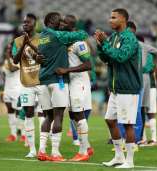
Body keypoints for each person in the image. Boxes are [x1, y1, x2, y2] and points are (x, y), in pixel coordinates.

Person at [36, 12, 88, 162]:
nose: (61, 22)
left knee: (48, 117)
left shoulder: (42, 38)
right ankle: (55, 153)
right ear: (52, 20)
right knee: (58, 116)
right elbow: (82, 34)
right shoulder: (58, 35)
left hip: (43, 80)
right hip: (57, 80)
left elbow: (40, 57)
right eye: (59, 19)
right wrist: (76, 29)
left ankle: (41, 151)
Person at [94, 9, 142, 168]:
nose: (110, 20)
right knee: (110, 120)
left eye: (113, 17)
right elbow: (107, 58)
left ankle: (130, 161)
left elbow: (121, 57)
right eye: (110, 17)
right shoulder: (114, 37)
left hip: (128, 87)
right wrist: (101, 45)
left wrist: (106, 44)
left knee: (128, 124)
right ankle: (119, 156)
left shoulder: (130, 38)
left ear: (123, 19)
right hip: (116, 88)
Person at [55, 14, 93, 161]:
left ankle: (82, 152)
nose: (61, 24)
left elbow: (88, 64)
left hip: (79, 83)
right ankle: (87, 147)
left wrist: (67, 71)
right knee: (73, 116)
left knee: (78, 115)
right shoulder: (65, 41)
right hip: (70, 83)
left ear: (72, 26)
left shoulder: (79, 43)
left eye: (64, 22)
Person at [12, 13, 45, 158]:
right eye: (24, 22)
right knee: (29, 115)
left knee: (45, 115)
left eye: (28, 22)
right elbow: (15, 60)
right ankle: (32, 149)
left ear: (35, 23)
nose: (25, 24)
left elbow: (46, 58)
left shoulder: (42, 38)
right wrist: (24, 44)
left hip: (42, 82)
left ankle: (43, 148)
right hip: (26, 83)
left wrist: (30, 44)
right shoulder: (17, 41)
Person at [127, 21, 157, 146]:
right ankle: (139, 137)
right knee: (139, 108)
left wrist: (152, 65)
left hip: (142, 79)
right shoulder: (139, 46)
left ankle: (139, 137)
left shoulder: (140, 46)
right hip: (139, 78)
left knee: (139, 107)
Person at [1, 42, 23, 143]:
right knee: (10, 111)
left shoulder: (17, 60)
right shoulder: (5, 61)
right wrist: (3, 90)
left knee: (19, 112)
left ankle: (23, 133)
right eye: (8, 49)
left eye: (10, 49)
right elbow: (4, 76)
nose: (8, 50)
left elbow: (12, 69)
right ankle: (13, 134)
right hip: (7, 90)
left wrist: (8, 59)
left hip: (16, 89)